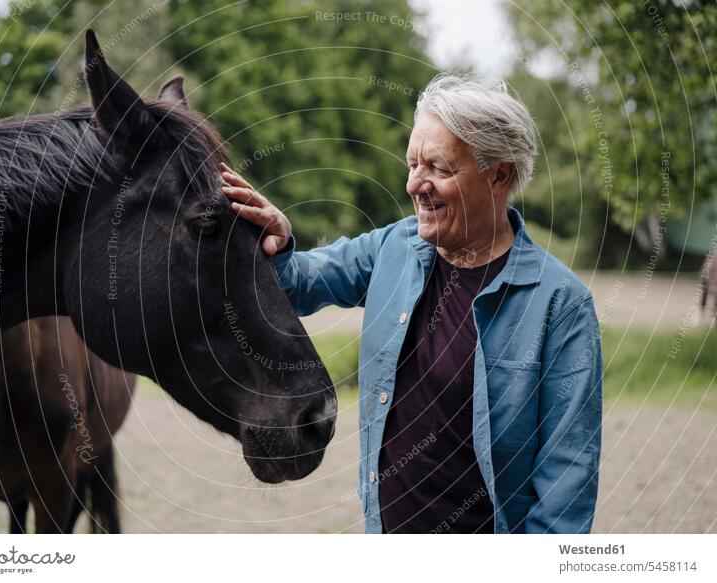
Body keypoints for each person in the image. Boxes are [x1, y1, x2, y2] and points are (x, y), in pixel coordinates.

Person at [222, 74, 602, 534]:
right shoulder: (393, 248)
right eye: (412, 164)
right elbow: (299, 282)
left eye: (438, 168)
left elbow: (567, 485)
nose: (414, 185)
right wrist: (278, 242)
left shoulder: (560, 305)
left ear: (498, 174)